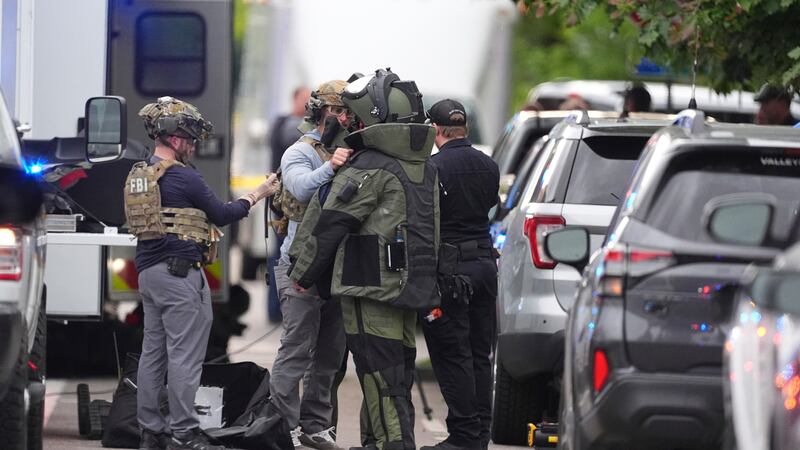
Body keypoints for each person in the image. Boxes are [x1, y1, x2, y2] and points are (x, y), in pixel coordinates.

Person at [289, 68, 440, 450]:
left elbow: (332, 223)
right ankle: (376, 442)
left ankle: (392, 444)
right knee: (397, 371)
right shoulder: (423, 164)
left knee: (379, 374)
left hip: (370, 285)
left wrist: (303, 273)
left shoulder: (370, 166)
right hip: (408, 283)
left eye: (352, 114)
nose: (346, 121)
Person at [126, 96, 279, 450]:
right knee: (184, 356)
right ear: (175, 137)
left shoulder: (140, 173)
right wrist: (259, 193)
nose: (193, 145)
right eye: (190, 138)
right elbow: (223, 213)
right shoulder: (183, 177)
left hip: (149, 273)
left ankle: (151, 432)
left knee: (153, 353)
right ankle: (185, 433)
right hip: (180, 277)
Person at [268, 80, 352, 450]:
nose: (346, 118)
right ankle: (282, 426)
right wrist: (331, 167)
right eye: (340, 111)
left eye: (349, 111)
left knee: (330, 356)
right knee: (296, 351)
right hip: (299, 267)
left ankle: (315, 426)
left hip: (337, 270)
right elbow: (301, 189)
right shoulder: (299, 152)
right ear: (323, 113)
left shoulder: (351, 149)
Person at [420, 100, 499, 450]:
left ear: (436, 130)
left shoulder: (433, 169)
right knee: (480, 353)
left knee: (453, 354)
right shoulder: (489, 165)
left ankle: (464, 435)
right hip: (485, 266)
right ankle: (479, 433)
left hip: (452, 274)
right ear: (463, 128)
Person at [267, 86, 312, 324]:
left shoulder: (280, 123)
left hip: (283, 201)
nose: (308, 105)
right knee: (282, 256)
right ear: (294, 99)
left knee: (281, 255)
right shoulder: (288, 125)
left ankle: (277, 309)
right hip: (284, 205)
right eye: (305, 100)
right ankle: (278, 310)